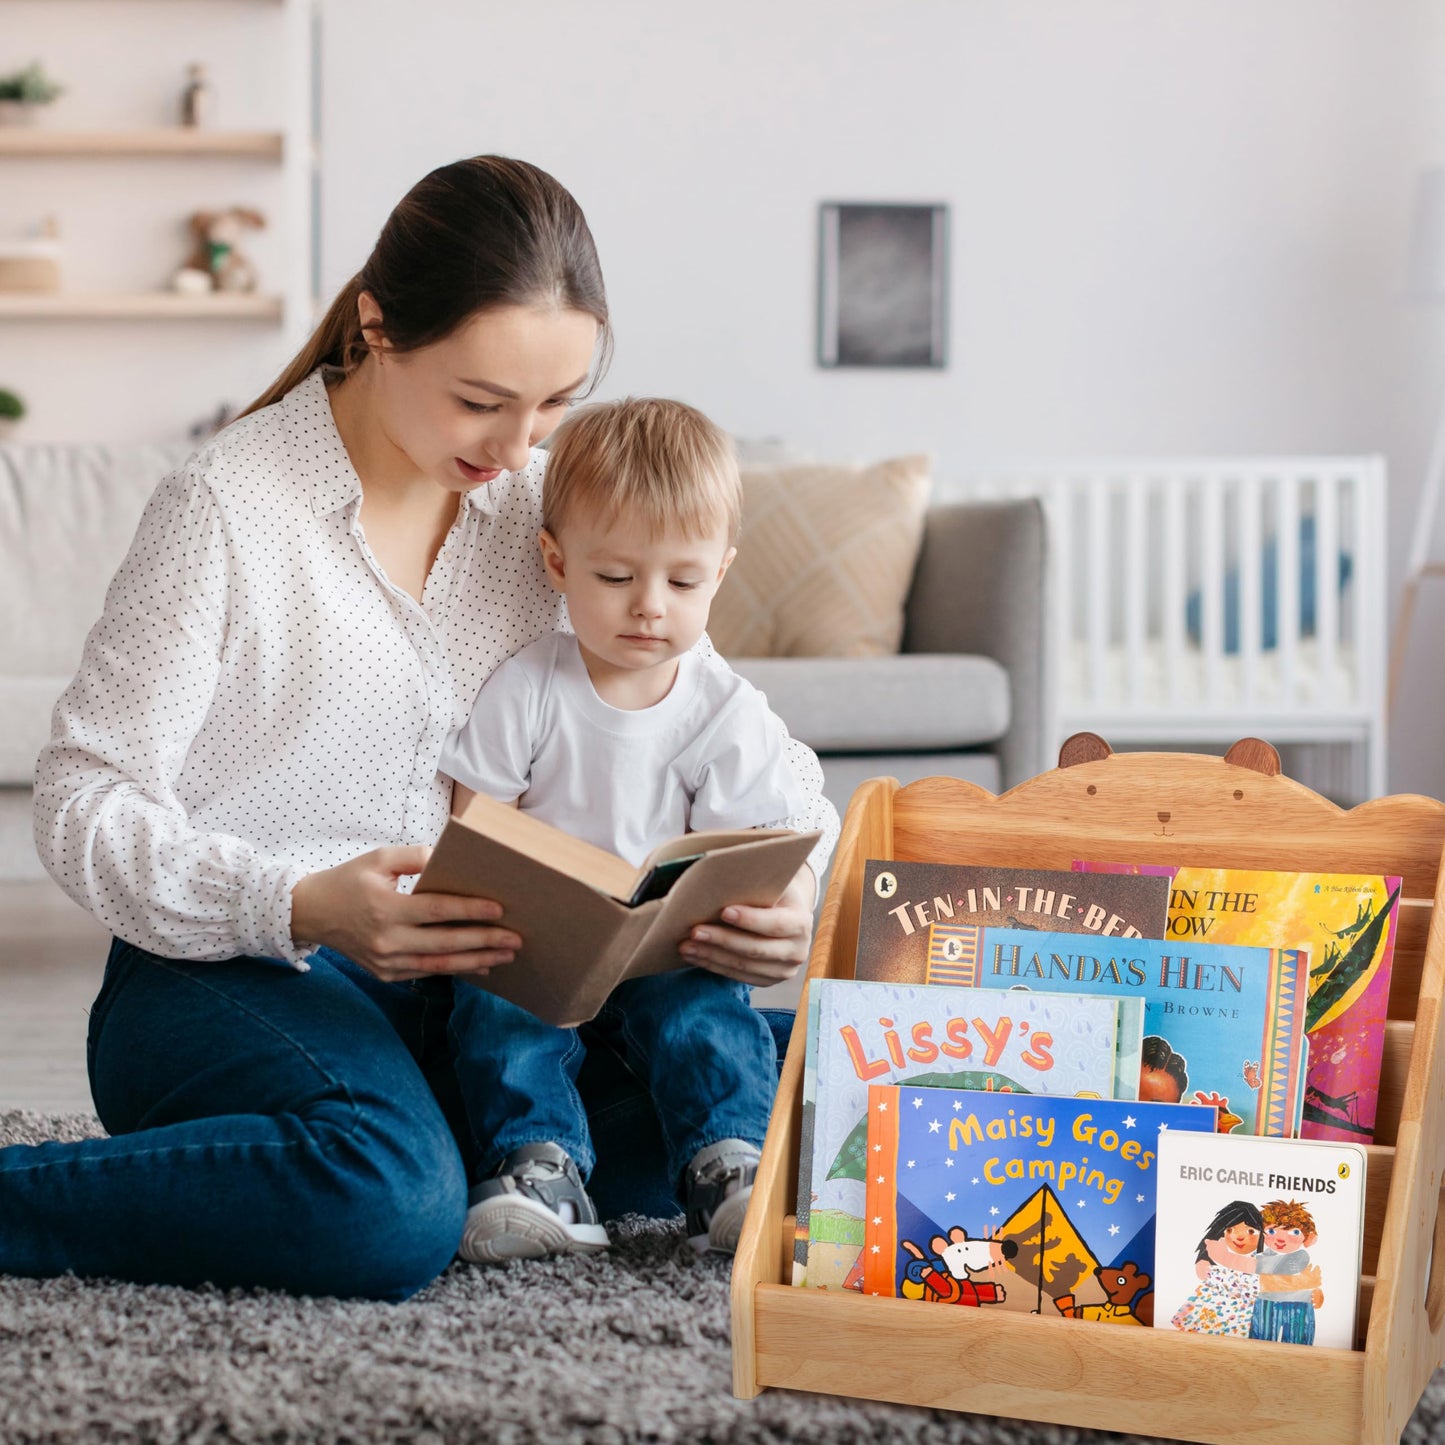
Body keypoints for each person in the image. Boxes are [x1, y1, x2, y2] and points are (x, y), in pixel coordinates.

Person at [9, 155, 838, 1302]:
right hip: (237, 971)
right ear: (377, 324)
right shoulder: (227, 509)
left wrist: (784, 898)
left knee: (811, 1086)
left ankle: (479, 1155)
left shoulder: (542, 512)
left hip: (480, 998)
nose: (515, 447)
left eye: (554, 402)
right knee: (385, 1203)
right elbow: (84, 801)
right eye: (480, 400)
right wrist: (298, 900)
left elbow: (755, 746)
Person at [439, 397, 822, 1263]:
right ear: (556, 562)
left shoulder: (724, 709)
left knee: (707, 1014)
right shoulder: (531, 684)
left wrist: (742, 910)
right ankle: (540, 1169)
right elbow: (473, 819)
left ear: (719, 572)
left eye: (682, 583)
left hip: (665, 947)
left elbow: (744, 851)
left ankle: (729, 1166)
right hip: (542, 942)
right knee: (498, 1009)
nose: (649, 607)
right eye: (614, 578)